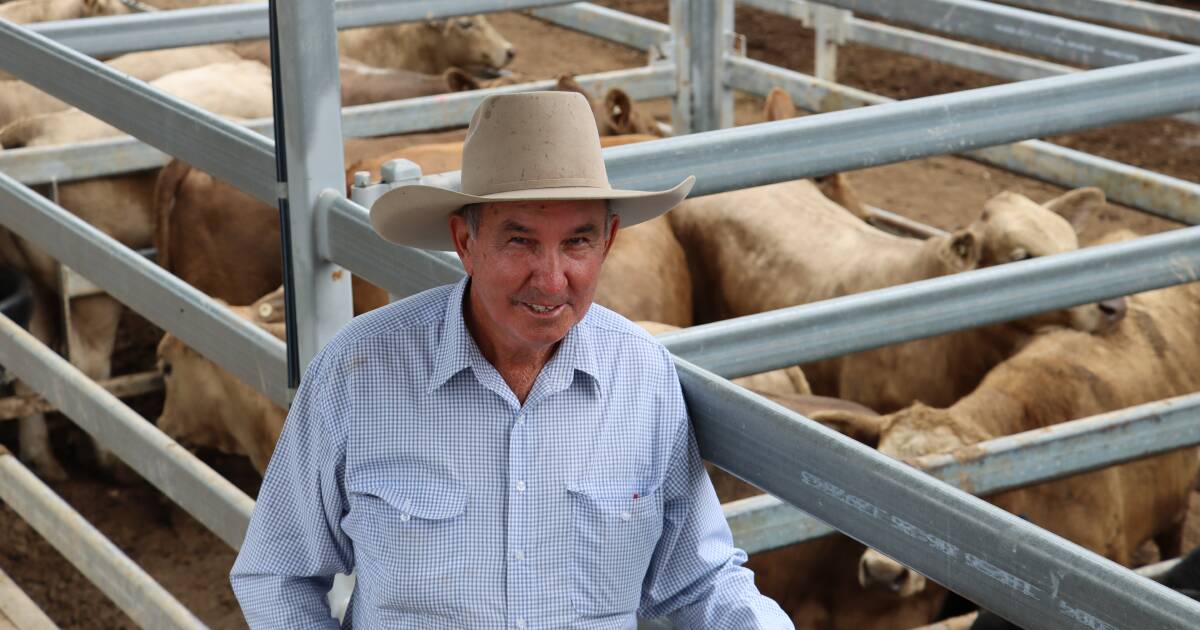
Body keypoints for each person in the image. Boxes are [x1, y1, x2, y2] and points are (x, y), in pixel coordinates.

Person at [230, 91, 791, 629]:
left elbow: (698, 578)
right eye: (519, 241)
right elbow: (277, 572)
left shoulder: (643, 375)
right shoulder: (360, 370)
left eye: (577, 242)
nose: (550, 280)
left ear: (609, 241)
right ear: (464, 242)